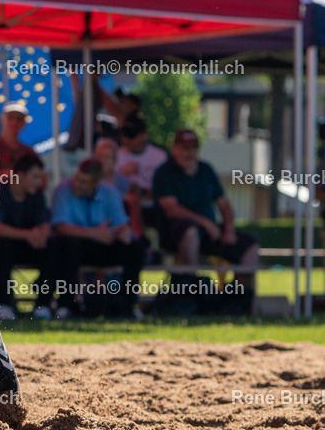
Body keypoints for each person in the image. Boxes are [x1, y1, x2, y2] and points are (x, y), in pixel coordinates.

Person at [152, 129, 259, 284]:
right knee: (191, 231)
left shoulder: (206, 170)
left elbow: (223, 204)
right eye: (184, 148)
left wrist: (229, 229)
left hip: (210, 234)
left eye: (193, 148)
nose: (189, 153)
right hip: (176, 234)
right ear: (175, 149)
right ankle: (192, 284)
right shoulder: (164, 173)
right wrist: (206, 223)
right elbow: (171, 209)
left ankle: (239, 292)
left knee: (250, 245)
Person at [46, 158, 144, 318]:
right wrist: (94, 233)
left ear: (96, 183)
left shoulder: (110, 192)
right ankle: (66, 304)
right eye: (77, 178)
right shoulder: (63, 190)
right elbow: (60, 227)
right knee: (66, 244)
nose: (77, 184)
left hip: (103, 245)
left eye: (84, 182)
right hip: (75, 246)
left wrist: (124, 233)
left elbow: (121, 223)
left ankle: (127, 306)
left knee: (135, 248)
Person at [0, 154, 51, 321]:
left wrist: (41, 234)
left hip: (26, 247)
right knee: (2, 246)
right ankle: (2, 303)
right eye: (35, 177)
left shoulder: (37, 195)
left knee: (51, 247)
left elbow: (45, 224)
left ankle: (44, 305)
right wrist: (28, 235)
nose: (38, 182)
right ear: (20, 175)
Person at [116, 115, 167, 229]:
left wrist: (145, 191)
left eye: (131, 136)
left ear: (144, 135)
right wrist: (122, 173)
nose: (126, 140)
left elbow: (166, 187)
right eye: (124, 135)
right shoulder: (117, 155)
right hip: (124, 208)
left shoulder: (159, 156)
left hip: (154, 209)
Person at [0, 103, 39, 179]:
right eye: (10, 117)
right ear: (2, 119)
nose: (14, 122)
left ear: (24, 123)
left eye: (19, 119)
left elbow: (40, 177)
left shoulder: (29, 152)